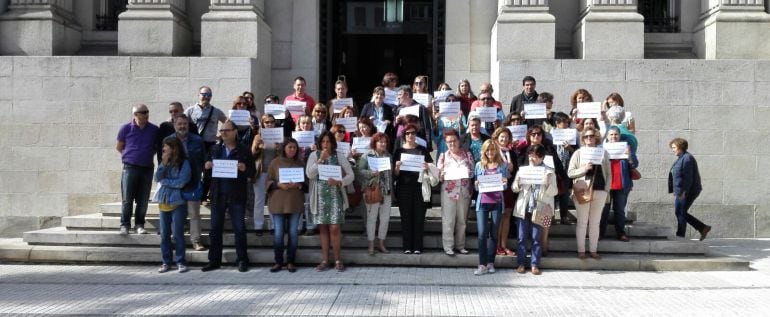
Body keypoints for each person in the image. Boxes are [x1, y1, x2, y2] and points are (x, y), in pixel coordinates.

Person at [202, 120, 256, 273]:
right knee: (215, 229)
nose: (223, 133)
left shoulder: (244, 150)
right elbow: (206, 172)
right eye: (222, 131)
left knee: (239, 229)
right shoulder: (214, 149)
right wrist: (206, 167)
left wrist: (245, 168)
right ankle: (214, 261)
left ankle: (242, 260)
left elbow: (252, 173)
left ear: (235, 132)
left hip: (236, 195)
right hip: (218, 194)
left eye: (227, 130)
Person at [306, 131, 355, 272]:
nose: (326, 144)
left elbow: (351, 174)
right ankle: (325, 260)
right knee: (323, 228)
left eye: (328, 141)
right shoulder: (313, 155)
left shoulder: (339, 155)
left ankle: (338, 259)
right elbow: (309, 174)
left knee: (334, 227)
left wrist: (340, 182)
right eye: (323, 142)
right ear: (319, 143)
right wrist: (320, 160)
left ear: (333, 143)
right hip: (319, 196)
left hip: (335, 196)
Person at [512, 144, 557, 276]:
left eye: (536, 155)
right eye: (530, 154)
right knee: (521, 237)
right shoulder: (522, 170)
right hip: (524, 207)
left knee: (536, 238)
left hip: (540, 208)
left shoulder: (549, 171)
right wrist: (518, 182)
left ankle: (534, 264)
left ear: (542, 157)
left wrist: (548, 183)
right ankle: (521, 263)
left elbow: (554, 191)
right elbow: (514, 188)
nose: (532, 157)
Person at [164, 114, 207, 251]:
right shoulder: (168, 140)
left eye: (185, 124)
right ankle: (176, 240)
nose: (182, 126)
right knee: (176, 214)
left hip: (193, 183)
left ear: (188, 125)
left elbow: (203, 159)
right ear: (174, 125)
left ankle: (196, 240)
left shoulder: (197, 140)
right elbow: (164, 161)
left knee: (194, 213)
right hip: (175, 184)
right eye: (179, 124)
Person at [568, 128, 611, 260]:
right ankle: (581, 250)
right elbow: (570, 172)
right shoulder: (578, 153)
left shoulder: (603, 153)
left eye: (591, 136)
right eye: (586, 136)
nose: (589, 138)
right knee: (582, 222)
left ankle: (593, 250)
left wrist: (606, 190)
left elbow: (609, 173)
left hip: (600, 190)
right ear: (583, 139)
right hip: (583, 190)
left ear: (596, 137)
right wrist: (584, 169)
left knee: (595, 222)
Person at [116, 104, 159, 235]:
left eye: (147, 112)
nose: (146, 114)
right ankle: (125, 225)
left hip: (147, 168)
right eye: (143, 112)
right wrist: (130, 155)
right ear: (135, 115)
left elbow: (156, 147)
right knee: (127, 199)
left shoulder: (154, 129)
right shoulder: (126, 128)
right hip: (130, 167)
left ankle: (139, 224)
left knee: (143, 199)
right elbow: (119, 146)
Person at [266, 138, 305, 273]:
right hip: (278, 203)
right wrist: (278, 185)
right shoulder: (274, 163)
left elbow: (306, 184)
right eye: (290, 147)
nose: (292, 150)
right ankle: (278, 261)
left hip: (295, 202)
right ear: (284, 148)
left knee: (293, 233)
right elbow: (268, 181)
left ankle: (290, 261)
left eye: (294, 147)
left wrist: (299, 185)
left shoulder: (300, 163)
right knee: (278, 233)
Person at [393, 124, 433, 254]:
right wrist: (397, 167)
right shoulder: (399, 151)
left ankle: (417, 246)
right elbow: (395, 175)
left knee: (419, 217)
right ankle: (407, 246)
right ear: (404, 136)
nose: (410, 135)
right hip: (403, 188)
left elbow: (431, 166)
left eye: (413, 133)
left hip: (420, 187)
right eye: (408, 133)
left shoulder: (422, 150)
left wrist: (427, 167)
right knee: (406, 217)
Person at [154, 137, 192, 273]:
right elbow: (156, 178)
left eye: (166, 146)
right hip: (163, 201)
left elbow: (181, 182)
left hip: (177, 202)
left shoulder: (184, 163)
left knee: (177, 233)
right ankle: (166, 262)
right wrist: (163, 164)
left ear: (173, 147)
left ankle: (181, 261)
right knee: (164, 234)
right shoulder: (164, 161)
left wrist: (166, 182)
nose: (164, 149)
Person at [185, 86, 228, 204]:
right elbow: (180, 122)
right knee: (195, 170)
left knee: (209, 172)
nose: (206, 97)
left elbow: (227, 123)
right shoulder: (190, 110)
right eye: (204, 94)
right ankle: (194, 193)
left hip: (210, 144)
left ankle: (203, 196)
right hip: (195, 145)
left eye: (209, 95)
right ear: (198, 95)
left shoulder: (216, 111)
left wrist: (222, 136)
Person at [472, 139, 510, 275]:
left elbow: (505, 186)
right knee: (482, 234)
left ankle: (490, 263)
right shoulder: (479, 165)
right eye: (488, 150)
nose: (490, 152)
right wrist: (476, 183)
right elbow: (476, 187)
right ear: (484, 151)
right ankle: (482, 264)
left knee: (494, 234)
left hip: (497, 202)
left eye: (492, 149)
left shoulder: (502, 166)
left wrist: (504, 182)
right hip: (482, 202)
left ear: (496, 150)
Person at [436, 130, 474, 256]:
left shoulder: (467, 154)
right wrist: (442, 175)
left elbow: (473, 171)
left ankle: (460, 246)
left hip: (464, 191)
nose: (452, 144)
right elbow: (438, 177)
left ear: (459, 141)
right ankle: (448, 247)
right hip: (448, 192)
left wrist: (467, 173)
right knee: (448, 220)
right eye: (449, 142)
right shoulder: (443, 156)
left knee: (462, 220)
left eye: (454, 141)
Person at [355, 132, 393, 255]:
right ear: (375, 143)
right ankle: (371, 245)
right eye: (380, 141)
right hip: (372, 190)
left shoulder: (389, 156)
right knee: (371, 219)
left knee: (385, 219)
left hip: (386, 191)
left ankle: (381, 243)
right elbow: (359, 171)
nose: (383, 144)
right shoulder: (367, 155)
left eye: (385, 142)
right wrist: (371, 173)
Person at [600, 126, 638, 242]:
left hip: (621, 184)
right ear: (607, 136)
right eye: (611, 134)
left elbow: (635, 165)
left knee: (620, 210)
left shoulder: (626, 147)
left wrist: (629, 156)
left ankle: (621, 233)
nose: (613, 137)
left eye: (616, 134)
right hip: (606, 184)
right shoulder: (602, 148)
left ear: (619, 136)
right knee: (604, 210)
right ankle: (600, 233)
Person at [668, 138, 711, 240]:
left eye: (674, 147)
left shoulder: (687, 159)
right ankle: (702, 227)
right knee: (680, 212)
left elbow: (688, 178)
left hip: (687, 191)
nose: (672, 150)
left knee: (680, 212)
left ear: (680, 147)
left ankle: (680, 236)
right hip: (681, 191)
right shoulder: (681, 158)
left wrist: (684, 192)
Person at [251, 114, 283, 236]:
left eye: (272, 122)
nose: (269, 124)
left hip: (274, 174)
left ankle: (273, 225)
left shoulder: (279, 137)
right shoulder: (258, 136)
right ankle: (258, 226)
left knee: (273, 200)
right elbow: (252, 154)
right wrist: (258, 147)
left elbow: (282, 157)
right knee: (259, 200)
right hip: (260, 172)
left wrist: (278, 148)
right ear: (263, 124)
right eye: (267, 122)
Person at [492, 127, 518, 257]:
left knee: (507, 215)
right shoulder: (492, 151)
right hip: (496, 187)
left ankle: (503, 245)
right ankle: (496, 246)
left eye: (507, 137)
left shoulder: (511, 153)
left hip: (508, 187)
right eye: (502, 137)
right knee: (498, 216)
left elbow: (516, 170)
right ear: (496, 138)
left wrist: (512, 169)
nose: (504, 139)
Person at [552, 112, 578, 225]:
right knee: (552, 194)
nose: (567, 124)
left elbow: (577, 152)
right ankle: (550, 217)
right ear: (557, 123)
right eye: (565, 122)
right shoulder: (550, 135)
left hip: (566, 169)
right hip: (554, 170)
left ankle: (564, 217)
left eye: (568, 122)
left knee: (564, 194)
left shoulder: (572, 135)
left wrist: (570, 148)